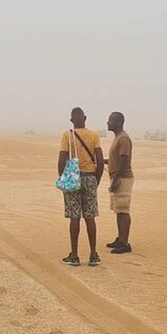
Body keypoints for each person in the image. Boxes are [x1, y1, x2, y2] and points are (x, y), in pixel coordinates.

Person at [57, 107, 104, 266]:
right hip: (90, 177)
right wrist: (96, 180)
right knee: (90, 217)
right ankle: (93, 254)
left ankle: (75, 255)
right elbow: (99, 159)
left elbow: (61, 160)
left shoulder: (67, 135)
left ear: (71, 120)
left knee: (74, 216)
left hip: (73, 178)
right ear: (85, 118)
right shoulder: (93, 135)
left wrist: (63, 179)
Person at [105, 111, 134, 254]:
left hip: (122, 179)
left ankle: (125, 243)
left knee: (123, 210)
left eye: (110, 120)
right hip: (117, 178)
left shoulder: (123, 138)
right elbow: (116, 159)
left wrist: (116, 179)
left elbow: (124, 159)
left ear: (118, 122)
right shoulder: (118, 137)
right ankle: (120, 239)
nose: (107, 123)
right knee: (118, 210)